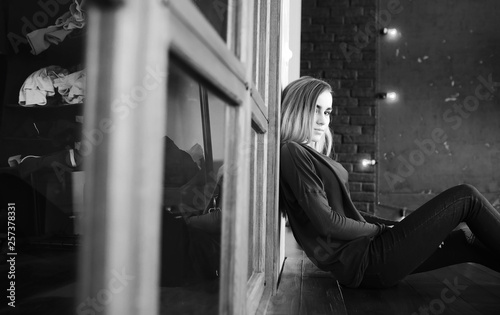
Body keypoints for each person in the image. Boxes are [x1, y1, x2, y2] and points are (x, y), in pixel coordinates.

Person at [279, 76, 500, 289]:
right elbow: (328, 223)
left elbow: (348, 215)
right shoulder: (292, 151)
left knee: (466, 241)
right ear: (298, 108)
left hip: (368, 256)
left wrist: (396, 228)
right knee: (466, 196)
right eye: (315, 109)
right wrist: (382, 230)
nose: (323, 120)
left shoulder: (303, 153)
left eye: (327, 112)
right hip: (366, 261)